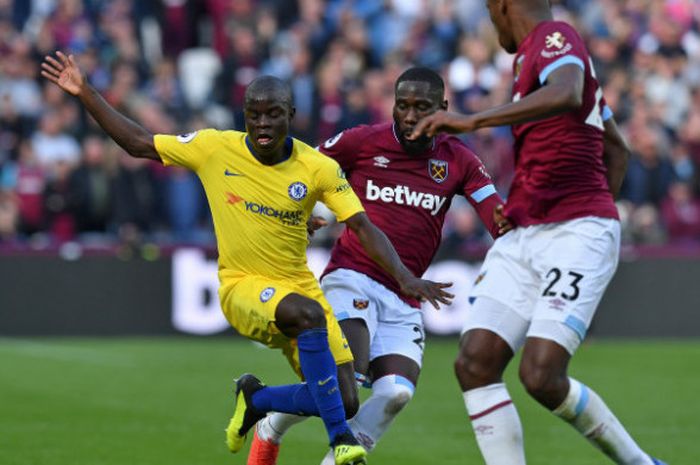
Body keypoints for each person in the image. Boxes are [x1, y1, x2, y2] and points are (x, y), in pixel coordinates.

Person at [41, 51, 454, 465]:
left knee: (344, 397)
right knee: (317, 343)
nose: (262, 125)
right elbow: (138, 143)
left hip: (300, 289)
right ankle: (342, 442)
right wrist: (85, 92)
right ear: (243, 115)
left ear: (291, 114)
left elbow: (363, 225)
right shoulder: (215, 148)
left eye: (273, 114)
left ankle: (257, 399)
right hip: (242, 287)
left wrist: (403, 276)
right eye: (253, 115)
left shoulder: (317, 167)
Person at [409, 2, 668, 465]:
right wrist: (534, 201)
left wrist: (473, 120)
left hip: (575, 232)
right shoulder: (531, 57)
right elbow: (617, 149)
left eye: (490, 14)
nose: (491, 25)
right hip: (527, 233)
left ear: (503, 6)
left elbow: (568, 92)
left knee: (542, 375)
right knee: (474, 363)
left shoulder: (554, 39)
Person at [247, 66, 512, 465]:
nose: (408, 115)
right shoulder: (362, 142)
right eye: (402, 105)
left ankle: (276, 422)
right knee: (346, 385)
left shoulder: (460, 161)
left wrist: (527, 237)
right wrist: (301, 209)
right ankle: (273, 424)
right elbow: (303, 167)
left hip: (406, 295)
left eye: (420, 107)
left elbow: (497, 218)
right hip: (351, 277)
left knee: (396, 393)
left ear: (442, 108)